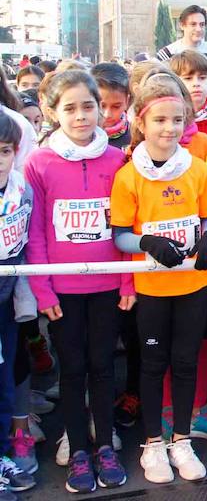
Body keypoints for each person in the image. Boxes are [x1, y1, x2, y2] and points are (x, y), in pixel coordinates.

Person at [25, 70, 131, 493]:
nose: (82, 116)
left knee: (103, 368)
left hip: (107, 288)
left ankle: (104, 444)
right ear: (53, 112)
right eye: (70, 109)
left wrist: (127, 282)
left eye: (89, 106)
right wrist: (43, 289)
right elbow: (34, 233)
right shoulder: (39, 163)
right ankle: (79, 453)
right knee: (72, 370)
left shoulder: (117, 160)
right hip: (62, 294)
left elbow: (125, 227)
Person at [111, 73, 207, 483]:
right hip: (152, 289)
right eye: (160, 121)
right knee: (153, 365)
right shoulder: (128, 176)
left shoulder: (197, 168)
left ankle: (182, 439)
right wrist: (147, 242)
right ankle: (153, 443)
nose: (169, 128)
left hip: (193, 286)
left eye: (177, 120)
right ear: (142, 123)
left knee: (186, 363)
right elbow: (120, 236)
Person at [0, 112, 37, 495]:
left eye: (5, 151)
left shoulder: (21, 190)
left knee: (5, 383)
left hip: (7, 304)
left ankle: (3, 455)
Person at [156, 6, 207, 77]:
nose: (198, 29)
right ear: (182, 25)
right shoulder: (167, 54)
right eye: (193, 24)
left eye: (202, 24)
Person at [90, 63, 132, 150]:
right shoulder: (78, 138)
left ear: (126, 101)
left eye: (116, 106)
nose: (107, 114)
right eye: (101, 106)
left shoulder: (136, 138)